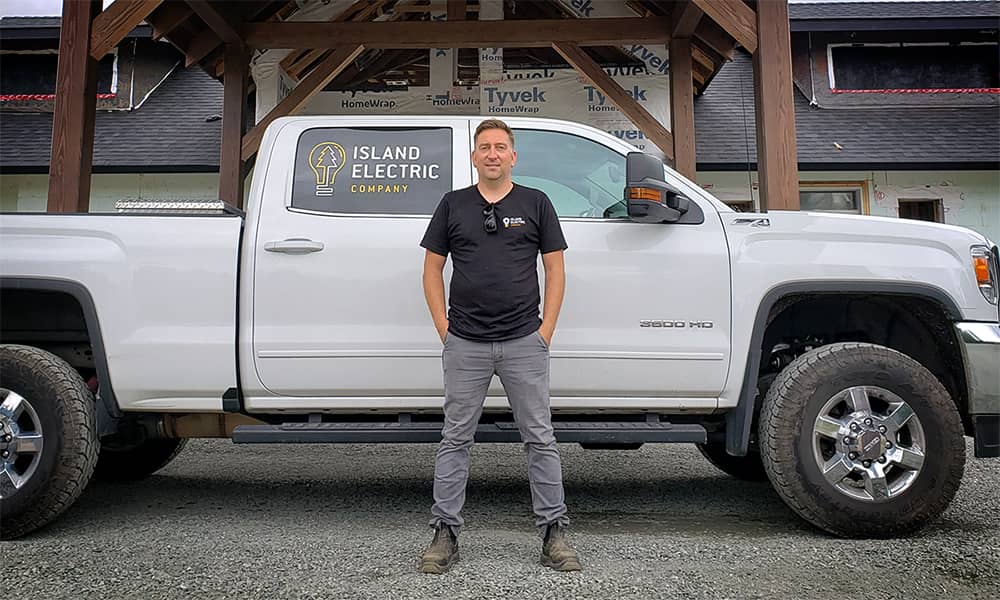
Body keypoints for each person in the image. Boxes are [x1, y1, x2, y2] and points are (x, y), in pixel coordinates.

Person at [417, 118, 581, 573]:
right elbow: (431, 270)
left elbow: (556, 270)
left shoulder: (536, 203)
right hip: (464, 342)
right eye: (484, 147)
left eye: (500, 147)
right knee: (455, 439)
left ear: (513, 156)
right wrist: (443, 328)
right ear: (474, 156)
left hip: (524, 341)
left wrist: (544, 331)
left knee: (540, 438)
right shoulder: (453, 205)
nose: (492, 154)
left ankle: (554, 533)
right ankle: (444, 532)